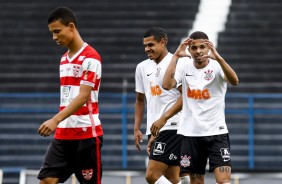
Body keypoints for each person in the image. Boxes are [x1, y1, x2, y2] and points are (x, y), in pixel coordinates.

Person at [162, 31, 239, 184]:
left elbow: (235, 81)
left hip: (217, 132)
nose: (198, 51)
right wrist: (176, 57)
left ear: (209, 47)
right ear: (189, 50)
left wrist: (219, 58)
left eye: (202, 47)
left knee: (224, 180)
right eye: (194, 47)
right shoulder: (184, 66)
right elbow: (167, 84)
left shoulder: (217, 66)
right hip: (190, 133)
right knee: (196, 181)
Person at [37, 7, 103, 184]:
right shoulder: (64, 59)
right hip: (63, 135)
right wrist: (59, 123)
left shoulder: (91, 57)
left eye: (57, 31)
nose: (54, 37)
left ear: (71, 26)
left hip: (86, 135)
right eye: (52, 33)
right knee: (46, 180)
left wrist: (55, 120)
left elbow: (82, 97)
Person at [134, 27, 184, 184]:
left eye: (151, 44)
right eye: (145, 45)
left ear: (163, 42)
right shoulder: (142, 67)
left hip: (172, 127)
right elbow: (140, 99)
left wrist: (164, 119)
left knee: (152, 175)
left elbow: (187, 97)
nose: (147, 49)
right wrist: (137, 128)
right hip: (154, 128)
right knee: (172, 178)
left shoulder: (176, 63)